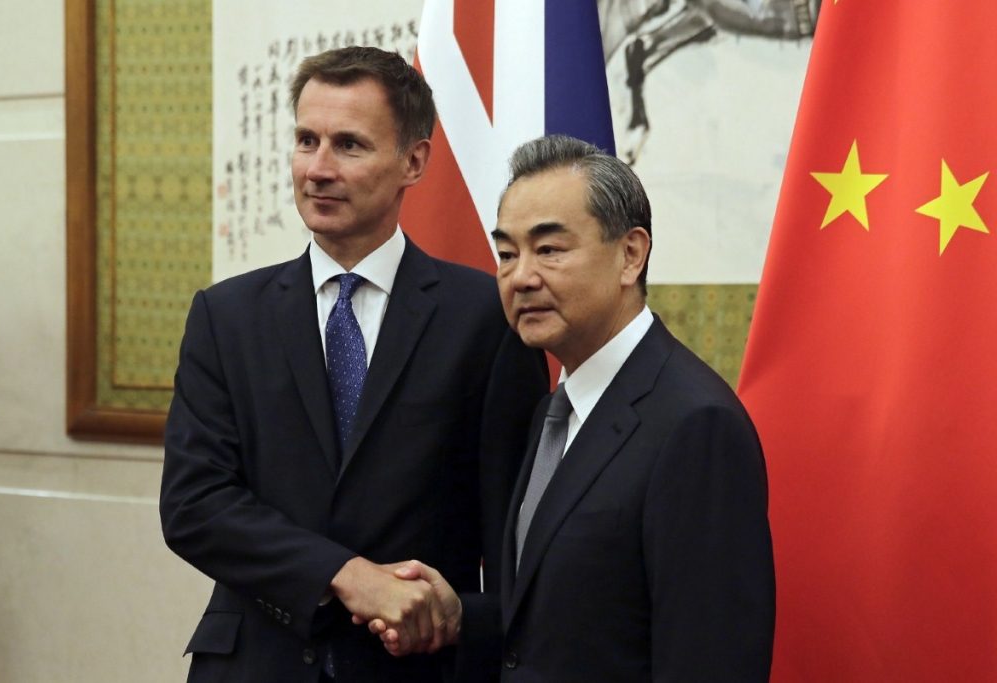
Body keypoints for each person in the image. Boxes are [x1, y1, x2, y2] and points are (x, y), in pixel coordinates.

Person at [159, 46, 548, 683]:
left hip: (416, 669)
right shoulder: (225, 317)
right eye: (306, 140)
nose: (317, 169)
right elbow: (194, 505)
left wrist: (467, 621)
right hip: (257, 663)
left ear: (414, 161)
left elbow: (515, 533)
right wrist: (346, 577)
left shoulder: (484, 317)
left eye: (349, 145)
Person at [371, 134, 775, 681]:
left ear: (630, 254)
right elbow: (568, 621)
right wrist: (462, 615)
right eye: (507, 254)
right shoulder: (556, 411)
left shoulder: (694, 424)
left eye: (550, 250)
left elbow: (709, 655)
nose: (521, 277)